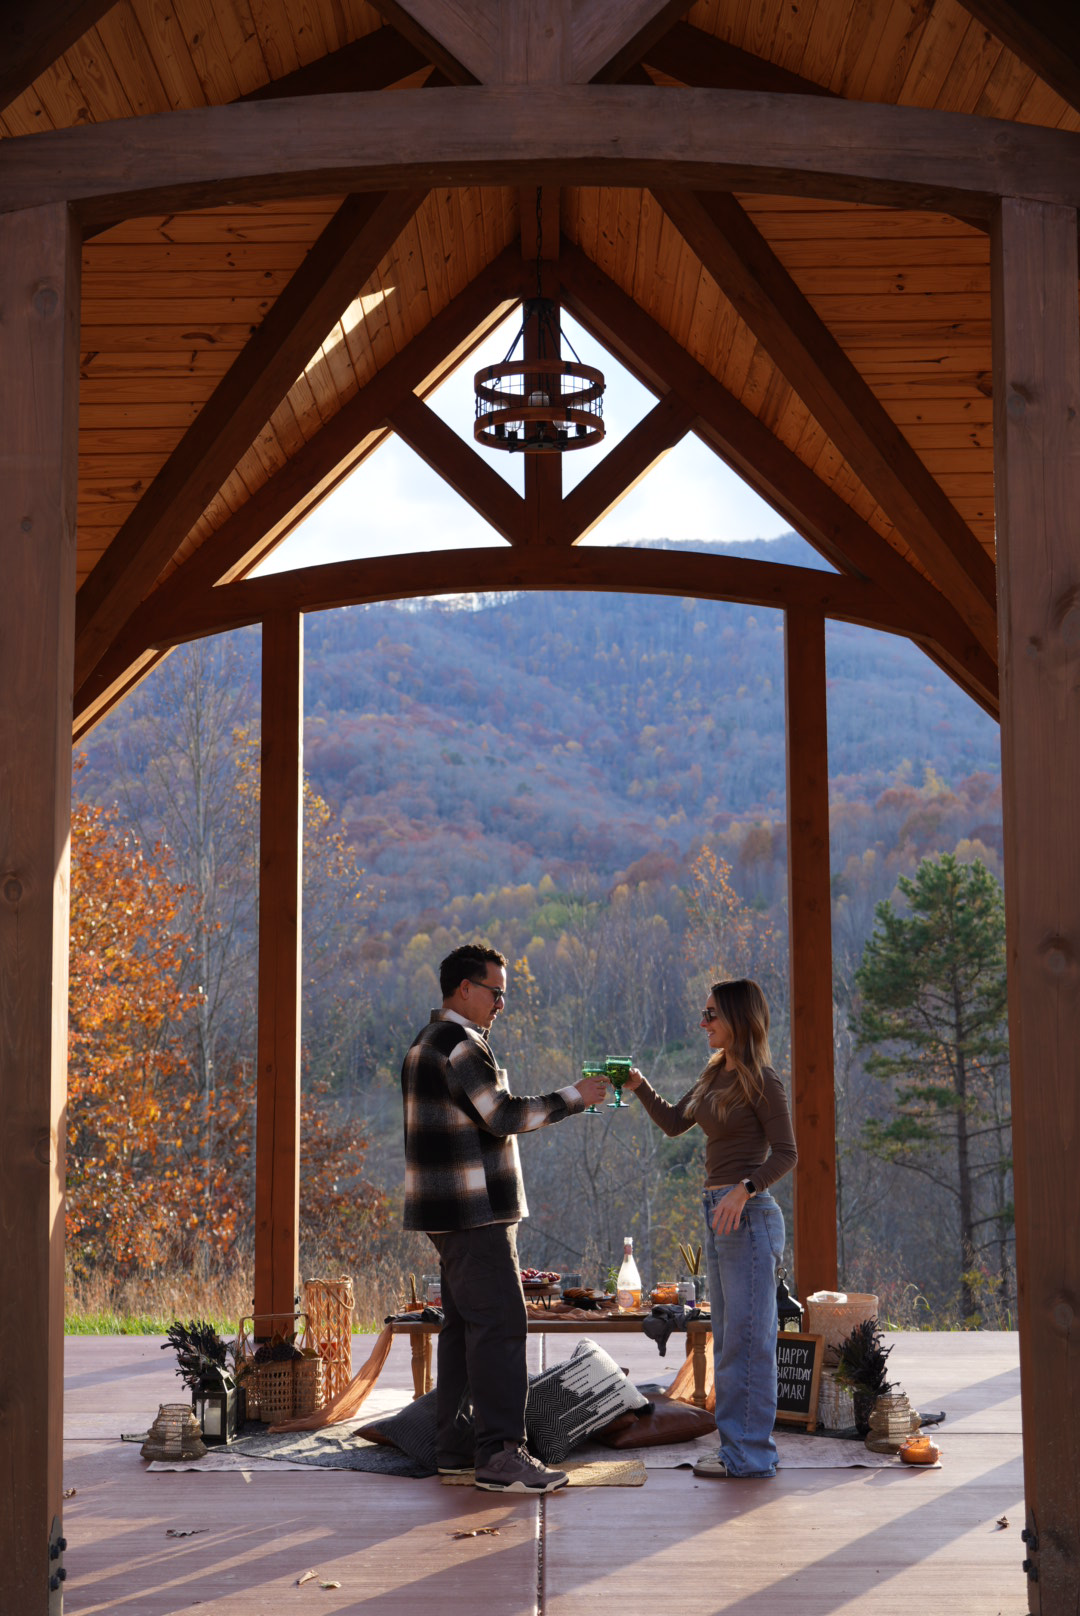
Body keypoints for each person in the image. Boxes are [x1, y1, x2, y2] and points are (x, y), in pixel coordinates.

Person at [401, 942, 608, 1493]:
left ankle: (455, 1450)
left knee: (464, 1328)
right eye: (496, 993)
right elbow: (503, 1116)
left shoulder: (423, 1043)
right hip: (477, 1213)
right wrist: (575, 1096)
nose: (501, 1004)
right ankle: (500, 1455)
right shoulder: (462, 1045)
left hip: (444, 1213)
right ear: (464, 989)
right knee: (501, 1326)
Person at [622, 977, 797, 1478]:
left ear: (738, 1020)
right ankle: (737, 1449)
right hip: (718, 1211)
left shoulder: (762, 1079)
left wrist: (746, 1188)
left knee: (748, 1341)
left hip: (747, 1215)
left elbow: (787, 1153)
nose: (703, 1023)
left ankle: (751, 1457)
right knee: (729, 1336)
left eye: (711, 1015)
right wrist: (639, 1087)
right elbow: (676, 1122)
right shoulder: (715, 1073)